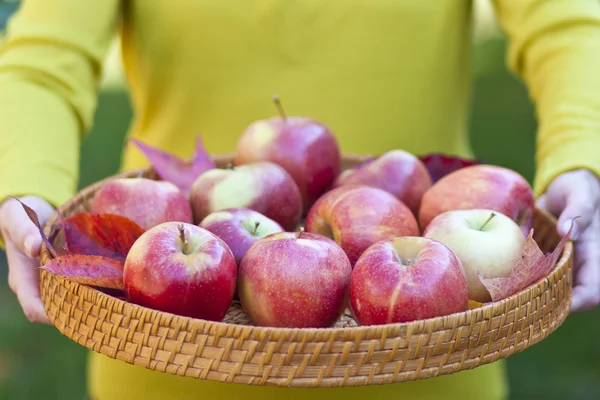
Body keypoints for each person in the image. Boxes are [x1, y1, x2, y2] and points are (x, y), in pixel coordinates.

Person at [0, 1, 599, 399]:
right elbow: (43, 61)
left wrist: (583, 153)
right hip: (171, 345)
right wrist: (25, 181)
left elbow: (566, 23)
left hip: (427, 342)